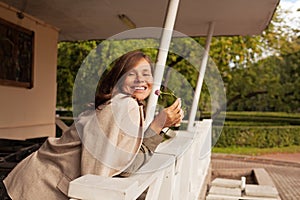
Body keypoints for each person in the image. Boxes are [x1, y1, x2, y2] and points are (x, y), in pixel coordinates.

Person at [2, 50, 183, 200]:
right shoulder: (123, 105)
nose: (140, 79)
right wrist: (159, 125)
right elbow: (127, 167)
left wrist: (160, 125)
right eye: (131, 73)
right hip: (36, 187)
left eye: (146, 73)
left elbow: (126, 159)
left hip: (29, 179)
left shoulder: (125, 104)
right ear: (119, 79)